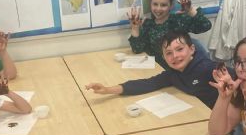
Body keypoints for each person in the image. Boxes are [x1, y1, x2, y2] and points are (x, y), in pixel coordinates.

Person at [85, 31, 221, 109]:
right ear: (163, 57)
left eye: (180, 49)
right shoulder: (173, 74)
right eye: (169, 53)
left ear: (192, 49)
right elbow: (148, 83)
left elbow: (232, 77)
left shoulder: (208, 68)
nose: (175, 56)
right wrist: (107, 90)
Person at [128, 0, 212, 69]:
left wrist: (190, 10)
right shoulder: (148, 24)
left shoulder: (178, 20)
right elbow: (137, 49)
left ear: (171, 5)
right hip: (159, 70)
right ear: (150, 4)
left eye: (163, 5)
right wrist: (135, 28)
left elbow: (205, 26)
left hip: (180, 70)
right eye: (155, 4)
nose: (158, 9)